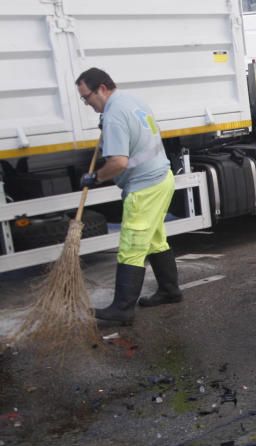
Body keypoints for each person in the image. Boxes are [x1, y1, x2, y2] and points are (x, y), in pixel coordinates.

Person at [75, 68, 182, 325]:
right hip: (162, 178)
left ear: (101, 88)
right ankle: (170, 290)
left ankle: (122, 308)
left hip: (145, 188)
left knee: (130, 248)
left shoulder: (114, 115)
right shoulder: (132, 101)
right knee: (155, 239)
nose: (87, 104)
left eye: (86, 97)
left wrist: (96, 177)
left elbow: (119, 162)